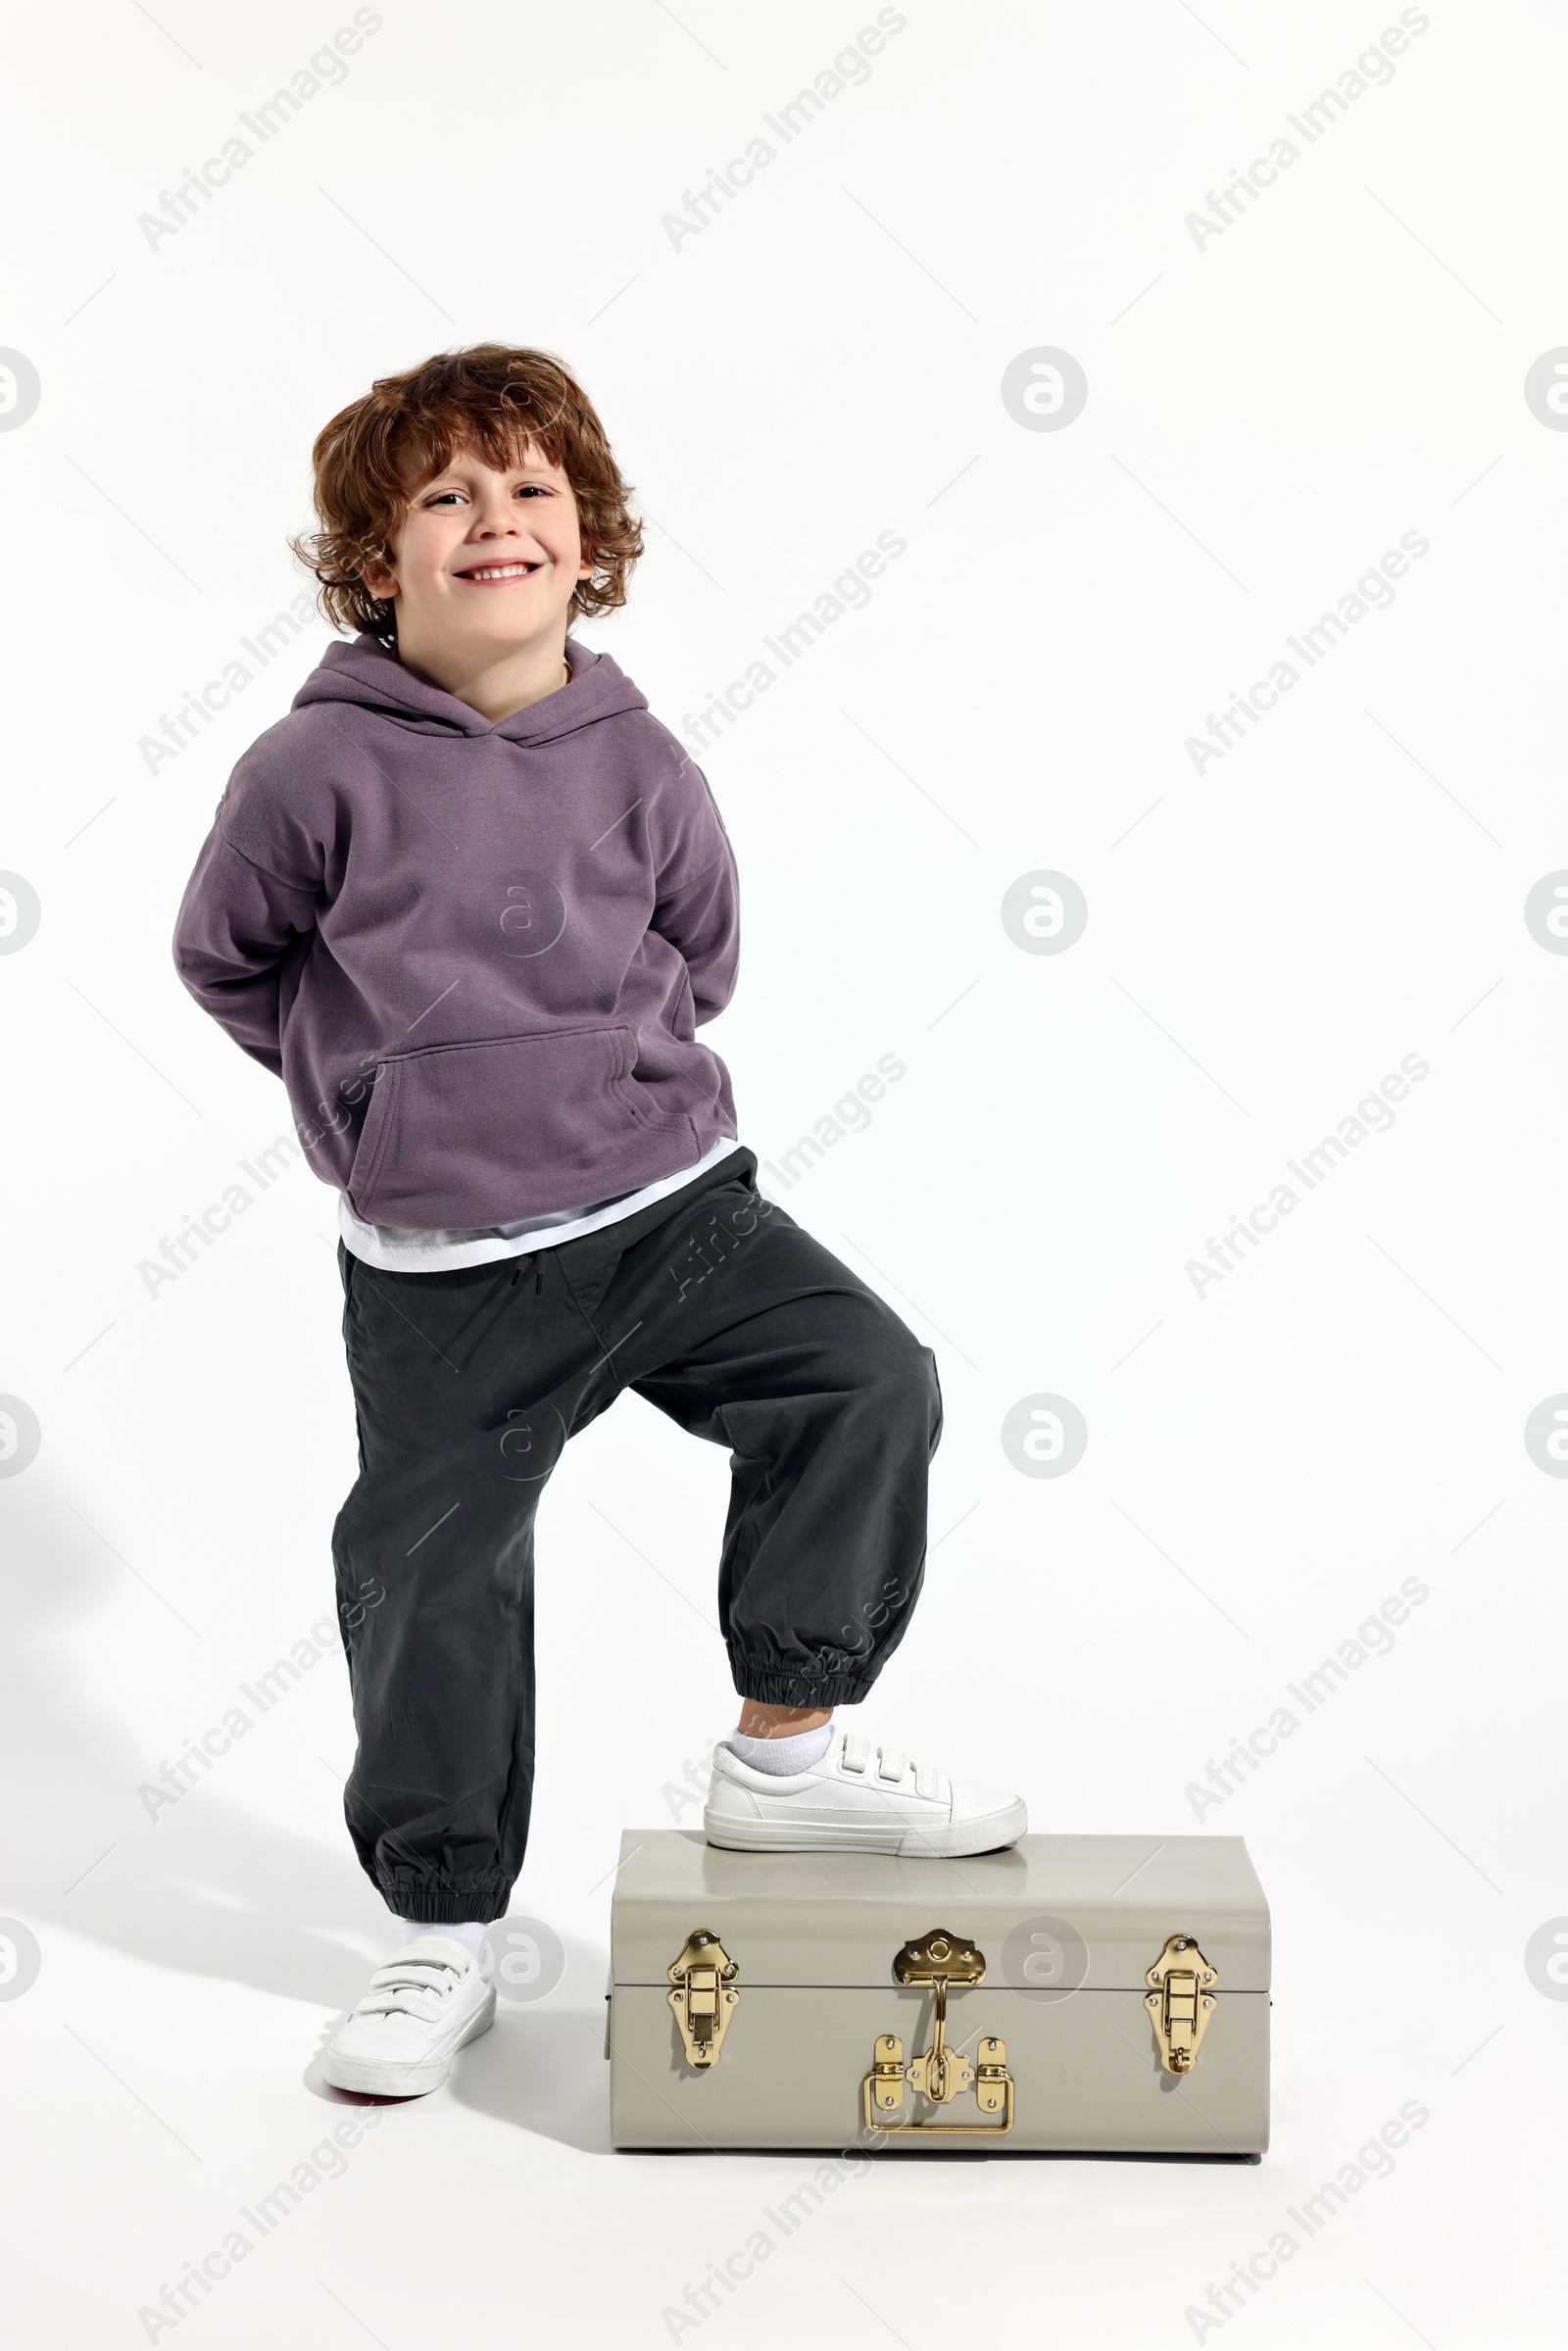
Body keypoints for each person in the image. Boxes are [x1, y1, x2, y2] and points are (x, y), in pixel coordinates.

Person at [171, 343, 1025, 2098]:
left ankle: (784, 1760)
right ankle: (442, 1938)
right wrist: (374, 1100)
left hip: (670, 1213)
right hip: (449, 1273)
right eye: (446, 497)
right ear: (375, 561)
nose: (498, 519)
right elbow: (228, 959)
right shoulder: (310, 769)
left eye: (533, 487)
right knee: (428, 1579)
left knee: (866, 1378)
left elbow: (702, 954)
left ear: (591, 534)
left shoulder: (638, 755)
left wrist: (596, 1084)